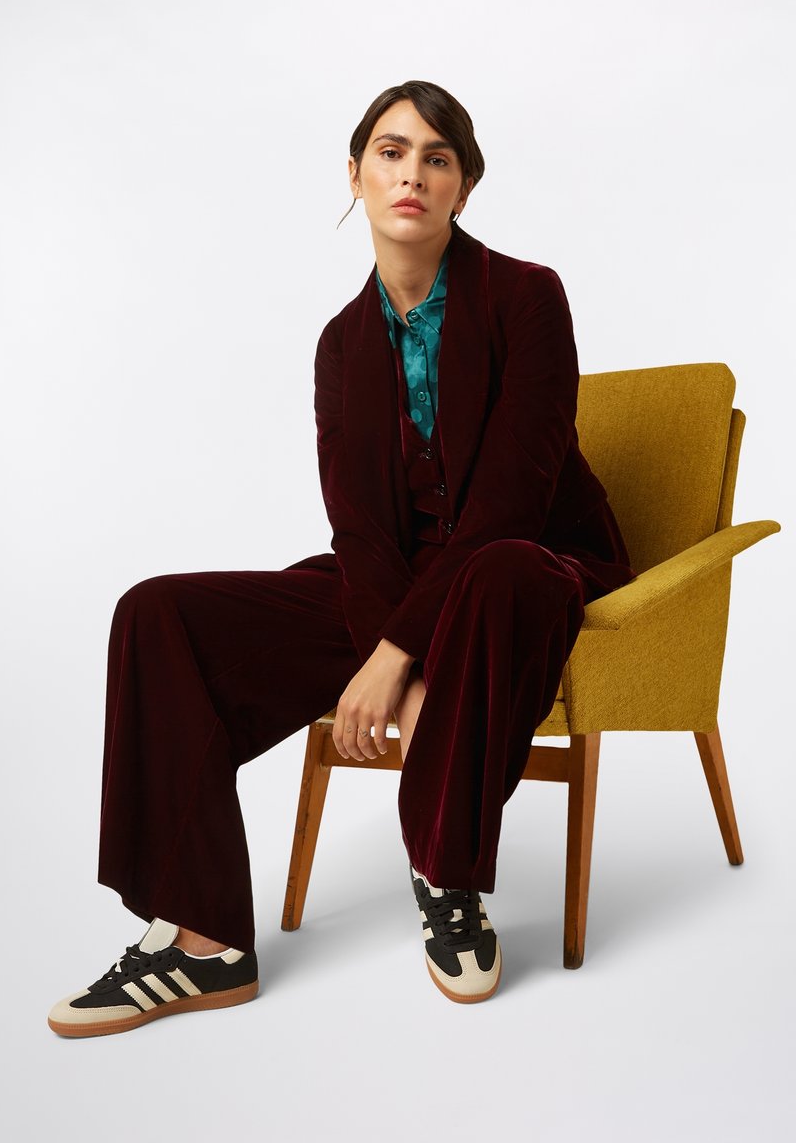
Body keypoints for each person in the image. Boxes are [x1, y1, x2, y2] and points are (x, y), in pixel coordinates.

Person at [48, 80, 633, 1036]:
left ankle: (446, 874)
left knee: (498, 571)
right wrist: (398, 650)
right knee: (159, 612)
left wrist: (398, 657)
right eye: (392, 152)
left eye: (437, 158)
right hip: (397, 578)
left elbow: (511, 502)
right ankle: (204, 943)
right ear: (355, 175)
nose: (413, 174)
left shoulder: (528, 297)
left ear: (465, 187)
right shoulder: (339, 346)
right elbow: (358, 530)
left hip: (529, 561)